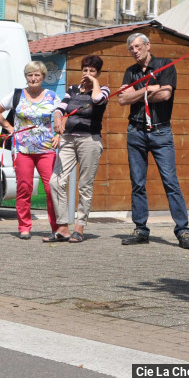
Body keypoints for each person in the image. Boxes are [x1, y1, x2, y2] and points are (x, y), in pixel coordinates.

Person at [117, 33, 189, 249]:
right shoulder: (130, 72)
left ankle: (183, 231)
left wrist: (138, 93)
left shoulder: (164, 65)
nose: (134, 51)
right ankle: (141, 230)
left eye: (137, 46)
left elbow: (165, 95)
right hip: (136, 131)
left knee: (170, 182)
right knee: (138, 183)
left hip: (161, 131)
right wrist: (147, 89)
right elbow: (122, 99)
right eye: (131, 48)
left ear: (147, 46)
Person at [0, 61, 61, 240]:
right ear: (26, 77)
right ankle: (24, 226)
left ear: (43, 77)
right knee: (24, 188)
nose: (33, 78)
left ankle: (57, 227)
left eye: (37, 75)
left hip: (46, 150)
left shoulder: (52, 96)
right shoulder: (17, 95)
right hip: (22, 149)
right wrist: (8, 127)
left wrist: (59, 134)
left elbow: (64, 115)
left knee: (52, 188)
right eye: (30, 75)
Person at [50, 55, 109, 243]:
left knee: (85, 185)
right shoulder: (73, 89)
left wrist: (94, 83)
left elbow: (98, 99)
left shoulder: (104, 90)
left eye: (92, 71)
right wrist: (58, 119)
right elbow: (61, 108)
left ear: (98, 73)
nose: (88, 74)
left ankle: (79, 227)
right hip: (68, 139)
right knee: (56, 181)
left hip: (89, 140)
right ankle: (63, 227)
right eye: (85, 70)